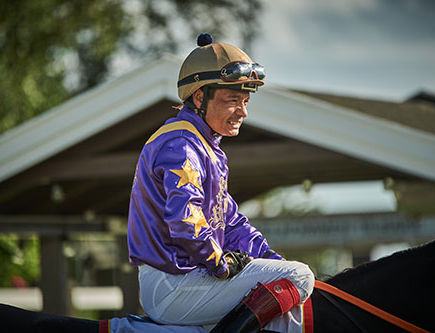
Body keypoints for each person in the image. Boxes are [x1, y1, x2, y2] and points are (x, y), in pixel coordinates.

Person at [127, 33, 315, 332]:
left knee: (288, 288)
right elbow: (186, 220)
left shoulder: (204, 146)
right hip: (172, 285)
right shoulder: (181, 144)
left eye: (245, 100)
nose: (243, 111)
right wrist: (220, 263)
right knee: (300, 277)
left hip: (186, 279)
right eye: (232, 100)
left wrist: (270, 259)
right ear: (199, 97)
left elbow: (229, 222)